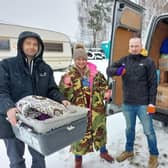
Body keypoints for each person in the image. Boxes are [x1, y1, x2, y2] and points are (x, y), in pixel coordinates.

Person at [0, 31, 70, 168]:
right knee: (16, 160)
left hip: (38, 121)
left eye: (35, 44)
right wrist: (8, 107)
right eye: (28, 43)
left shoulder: (45, 68)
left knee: (39, 156)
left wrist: (61, 99)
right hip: (13, 120)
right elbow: (1, 90)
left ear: (39, 47)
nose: (32, 47)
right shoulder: (7, 65)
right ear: (21, 45)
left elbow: (51, 89)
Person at [106, 37, 159, 168]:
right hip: (128, 104)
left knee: (149, 131)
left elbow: (153, 83)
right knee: (129, 129)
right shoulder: (124, 61)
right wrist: (118, 71)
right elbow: (109, 70)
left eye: (136, 45)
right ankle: (129, 151)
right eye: (132, 46)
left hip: (143, 104)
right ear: (129, 47)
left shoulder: (148, 62)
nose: (134, 48)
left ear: (141, 46)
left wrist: (152, 103)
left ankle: (154, 155)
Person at [59, 44, 114, 168]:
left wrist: (106, 92)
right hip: (79, 112)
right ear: (74, 60)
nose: (81, 61)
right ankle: (78, 160)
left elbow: (104, 86)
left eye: (83, 59)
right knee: (78, 136)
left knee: (100, 131)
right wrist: (66, 85)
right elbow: (62, 95)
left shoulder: (95, 72)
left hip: (97, 110)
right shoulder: (68, 75)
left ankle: (103, 152)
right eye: (78, 59)